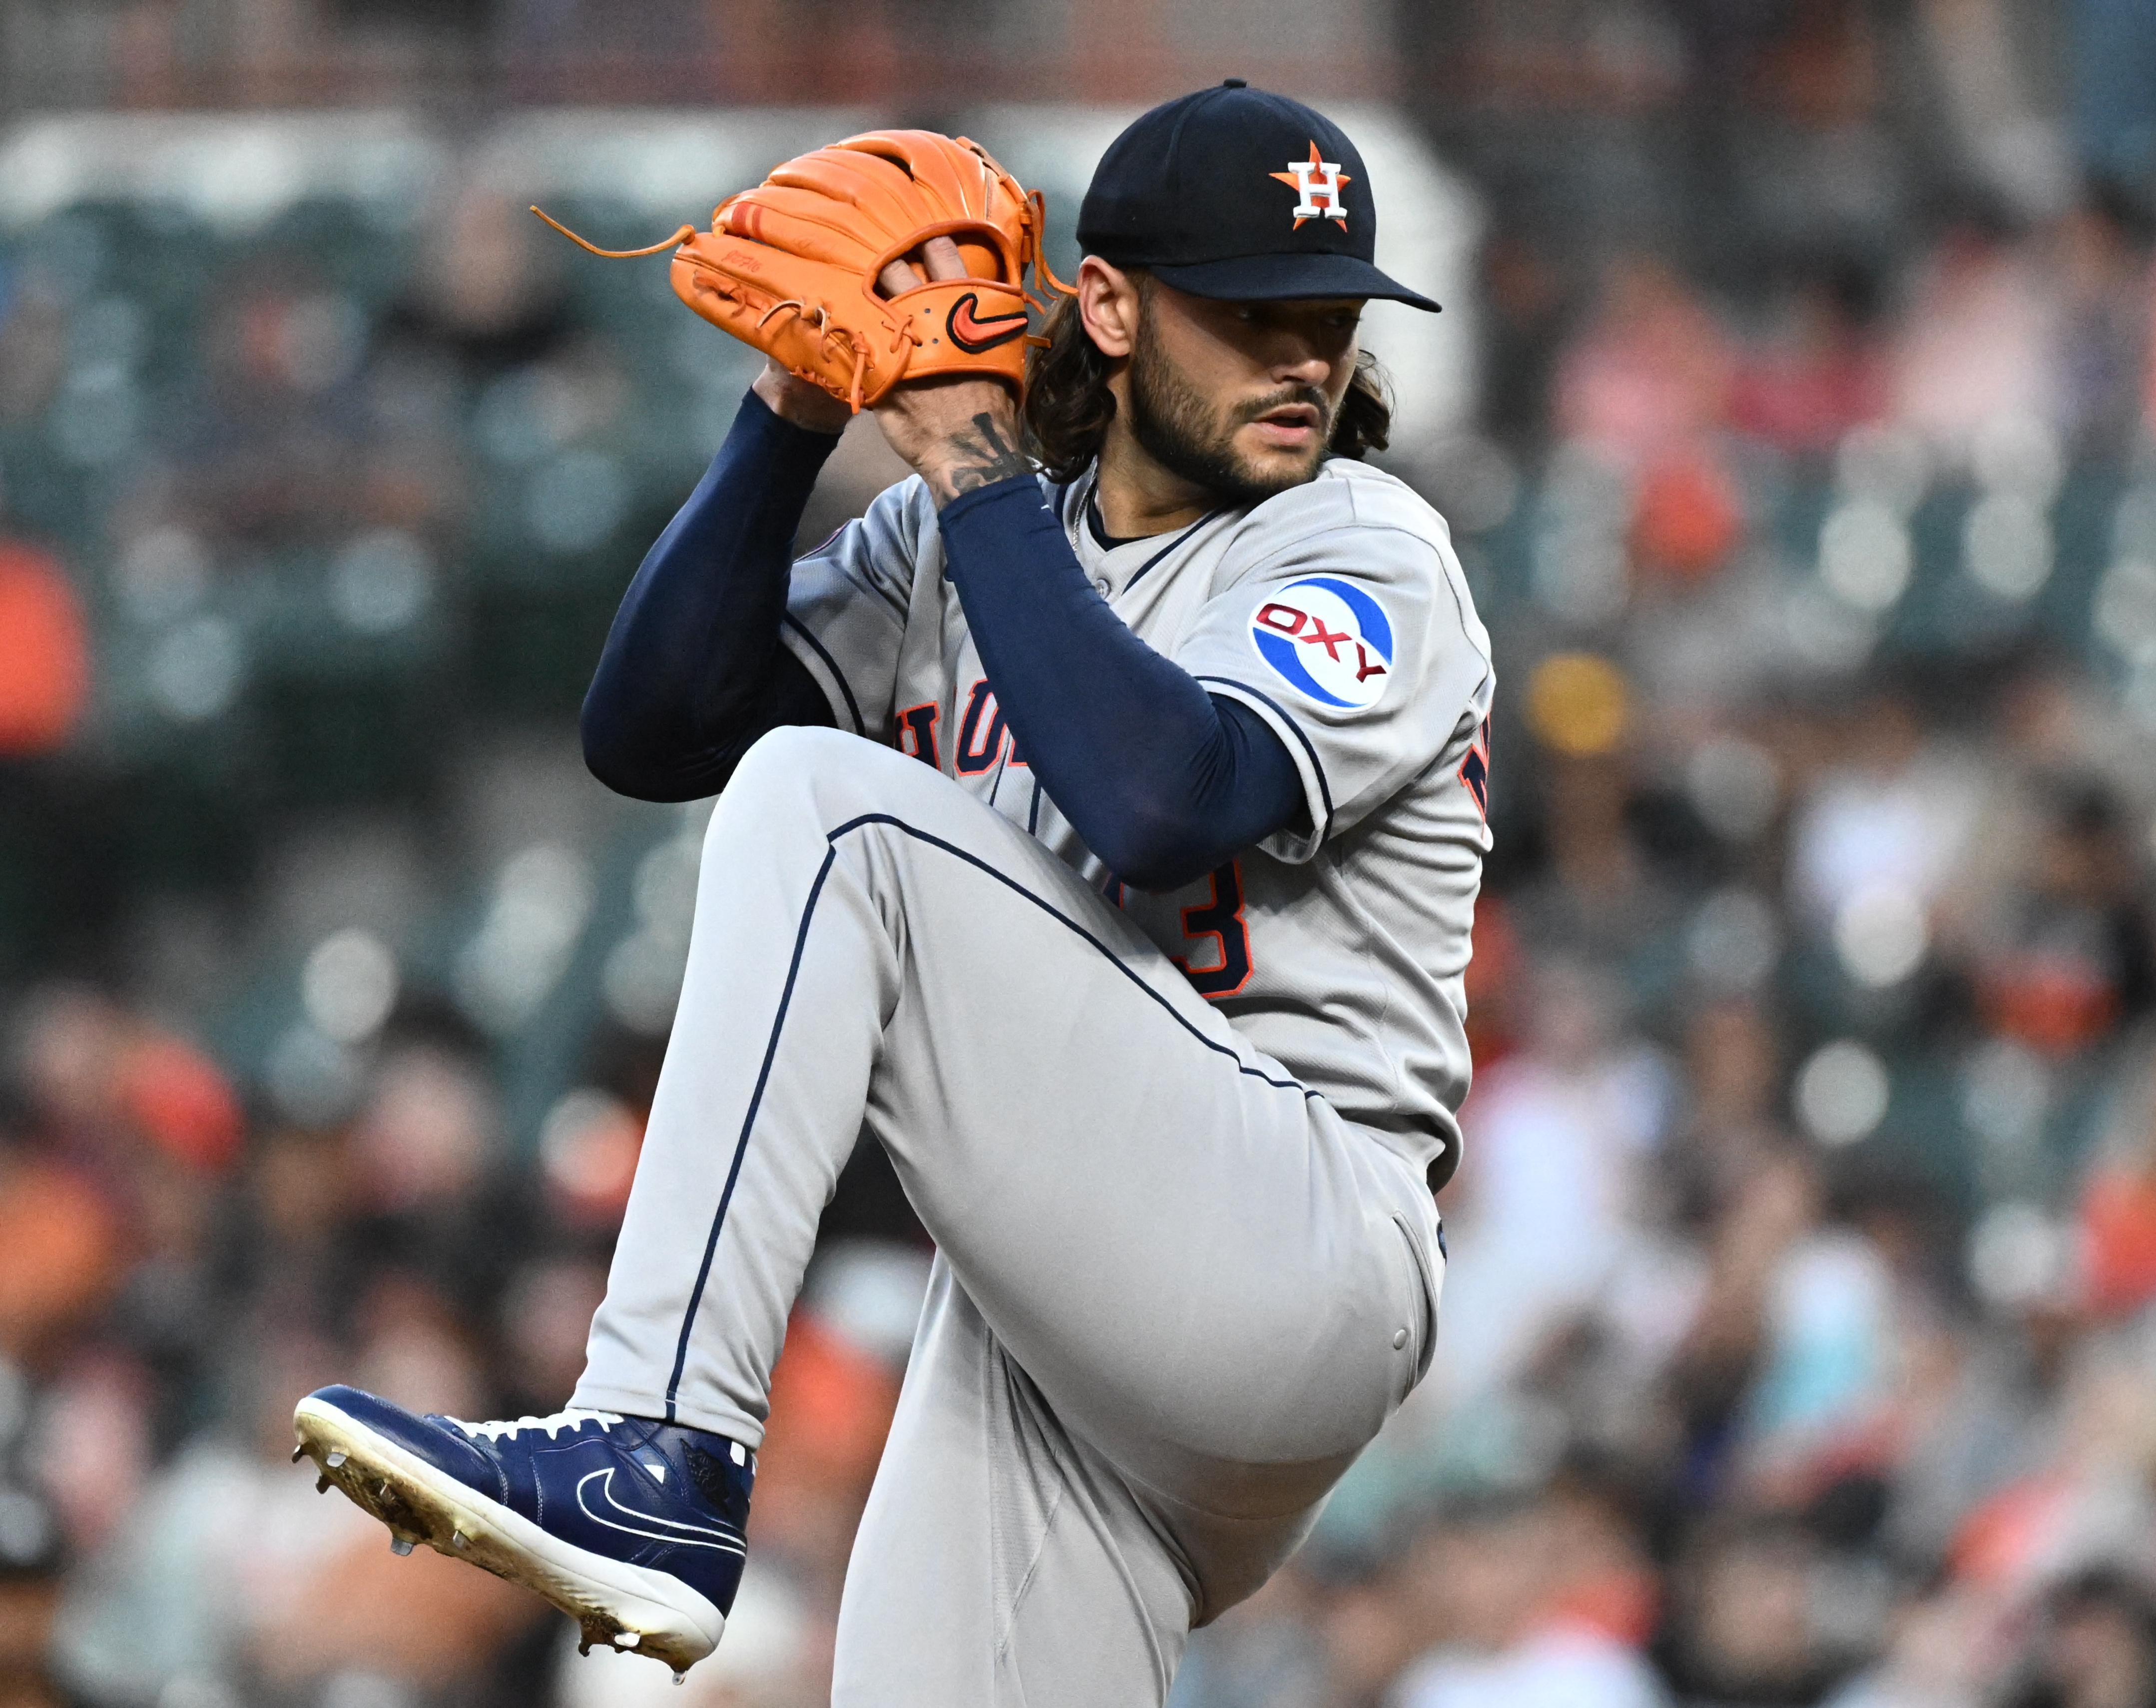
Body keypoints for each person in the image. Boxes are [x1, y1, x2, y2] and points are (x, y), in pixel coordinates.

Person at [293, 82, 1492, 1705]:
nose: (1303, 356)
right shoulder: (958, 547)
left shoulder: (1362, 547)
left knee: (833, 812)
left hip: (1299, 1242)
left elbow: (1160, 800)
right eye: (1248, 309)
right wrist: (789, 410)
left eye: (1330, 315)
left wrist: (981, 477)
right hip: (1071, 1323)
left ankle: (658, 1434)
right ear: (1117, 309)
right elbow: (648, 728)